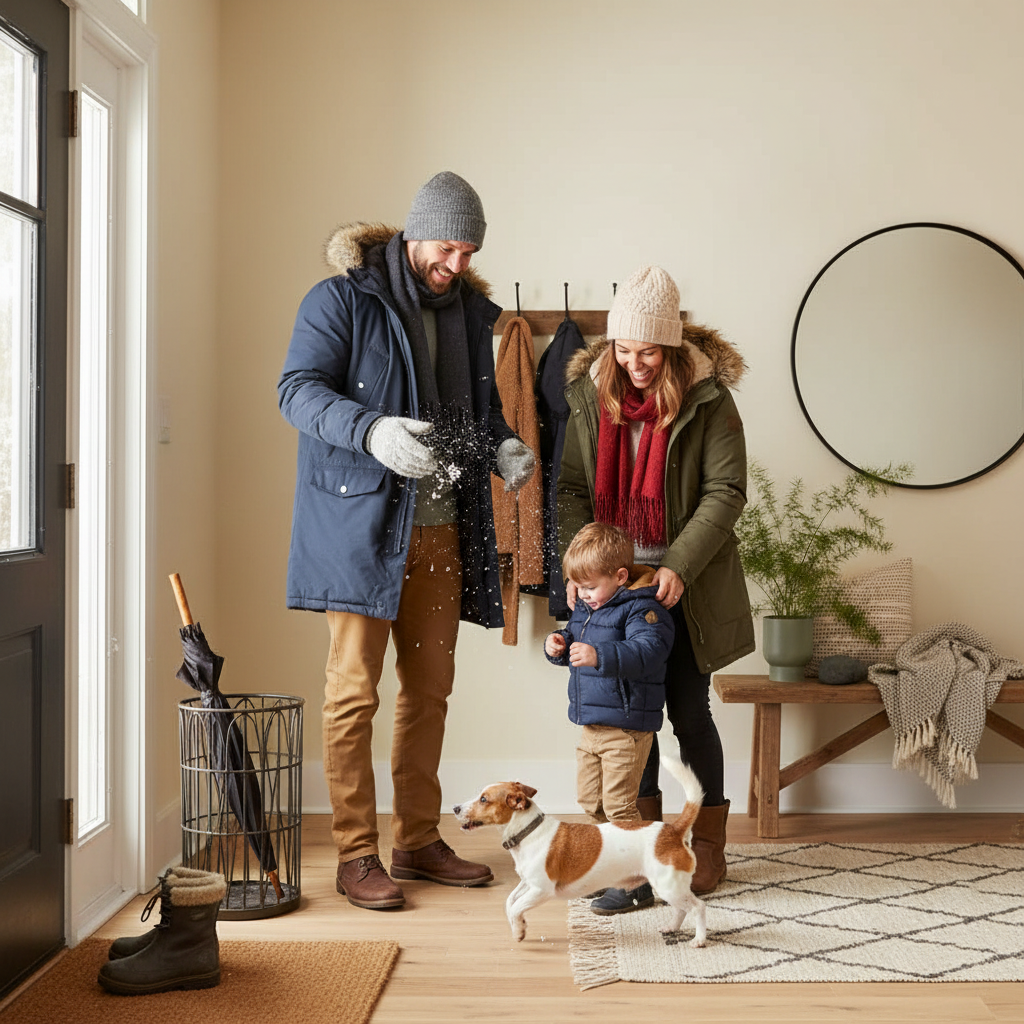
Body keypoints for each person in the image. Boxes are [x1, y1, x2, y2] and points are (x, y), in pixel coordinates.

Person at [278, 171, 536, 911]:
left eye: (470, 251)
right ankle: (356, 854)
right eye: (448, 247)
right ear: (415, 230)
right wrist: (373, 429)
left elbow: (472, 414)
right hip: (358, 530)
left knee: (429, 695)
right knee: (353, 695)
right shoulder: (340, 299)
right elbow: (296, 390)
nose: (456, 264)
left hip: (440, 530)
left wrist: (503, 446)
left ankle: (417, 840)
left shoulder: (464, 314)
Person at [557, 264, 754, 911]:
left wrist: (677, 564)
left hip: (680, 587)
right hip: (612, 589)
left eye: (647, 351)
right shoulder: (589, 395)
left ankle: (709, 846)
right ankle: (638, 861)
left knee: (688, 714)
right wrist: (583, 571)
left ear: (669, 346)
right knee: (625, 719)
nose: (635, 363)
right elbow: (571, 490)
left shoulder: (709, 398)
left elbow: (725, 492)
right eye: (623, 348)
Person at [544, 522, 674, 831]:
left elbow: (649, 650)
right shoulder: (588, 608)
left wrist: (598, 655)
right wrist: (559, 646)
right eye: (579, 586)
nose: (584, 595)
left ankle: (637, 874)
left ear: (620, 577)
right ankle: (608, 861)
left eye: (590, 587)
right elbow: (577, 648)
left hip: (625, 729)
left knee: (619, 806)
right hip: (590, 725)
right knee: (591, 802)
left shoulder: (641, 607)